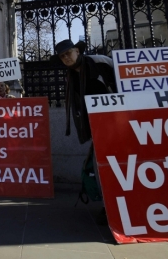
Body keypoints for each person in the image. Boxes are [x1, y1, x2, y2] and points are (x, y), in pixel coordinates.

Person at [53, 39, 116, 224]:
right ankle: (108, 206)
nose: (66, 57)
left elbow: (123, 83)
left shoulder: (101, 62)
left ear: (78, 51)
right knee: (102, 167)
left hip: (118, 121)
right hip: (97, 126)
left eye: (68, 53)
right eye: (62, 56)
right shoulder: (71, 75)